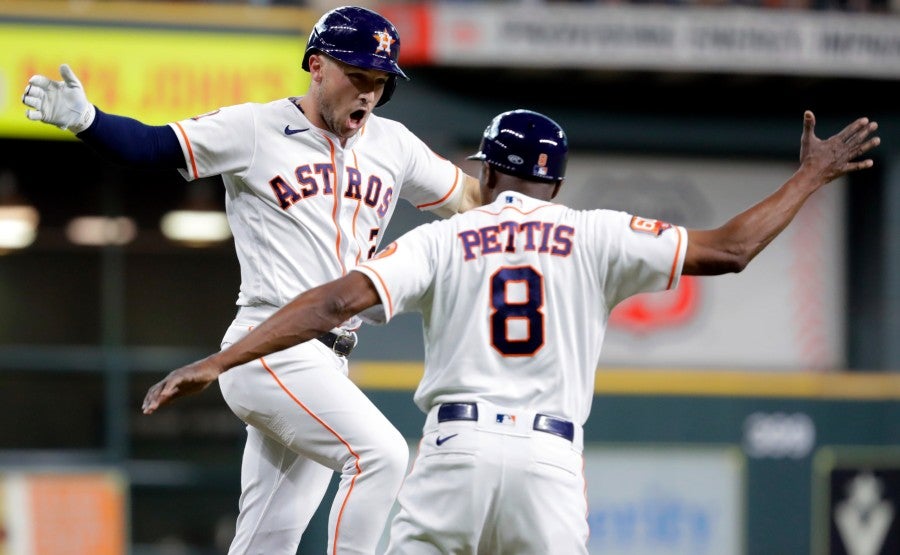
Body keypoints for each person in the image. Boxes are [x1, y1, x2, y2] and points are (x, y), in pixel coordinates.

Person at [141, 107, 879, 554]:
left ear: (486, 174)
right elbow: (732, 248)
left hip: (454, 455)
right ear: (552, 184)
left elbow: (331, 304)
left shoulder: (442, 239)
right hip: (548, 464)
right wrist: (809, 178)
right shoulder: (596, 231)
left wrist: (225, 356)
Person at [22, 6, 481, 555]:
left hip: (331, 359)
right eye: (357, 76)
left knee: (267, 540)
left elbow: (472, 200)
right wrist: (88, 121)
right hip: (268, 347)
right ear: (316, 66)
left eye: (380, 82)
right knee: (381, 454)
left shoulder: (394, 144)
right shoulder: (257, 128)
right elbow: (152, 146)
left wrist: (528, 207)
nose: (369, 93)